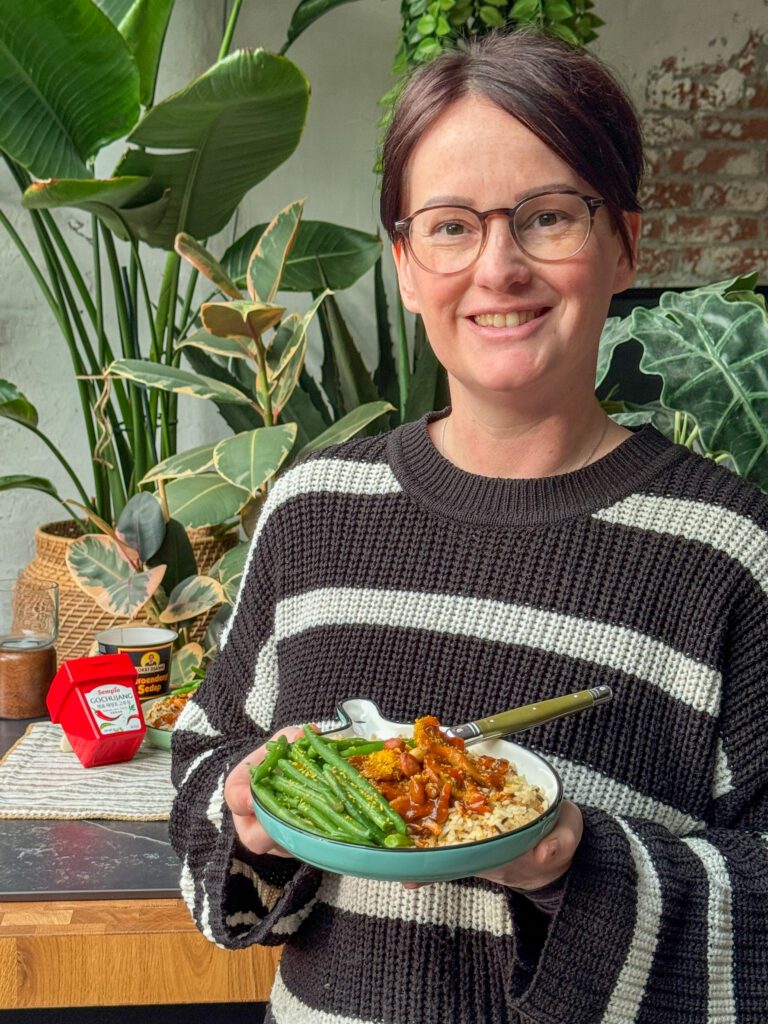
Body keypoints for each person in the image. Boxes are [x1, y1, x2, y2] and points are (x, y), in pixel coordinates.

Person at [169, 30, 768, 1024]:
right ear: (406, 264)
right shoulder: (315, 511)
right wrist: (250, 809)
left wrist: (575, 859)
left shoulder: (731, 554)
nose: (499, 268)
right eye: (450, 226)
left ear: (623, 244)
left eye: (547, 217)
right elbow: (202, 770)